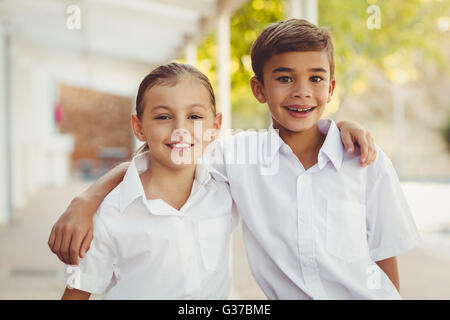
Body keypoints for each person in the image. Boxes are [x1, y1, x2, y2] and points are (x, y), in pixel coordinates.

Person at [49, 20, 391, 299]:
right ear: (259, 89)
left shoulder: (359, 159)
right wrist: (87, 199)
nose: (301, 91)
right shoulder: (235, 161)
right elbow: (156, 159)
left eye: (315, 79)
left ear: (215, 126)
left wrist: (342, 125)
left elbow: (385, 252)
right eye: (285, 78)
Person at [60, 63, 236, 299]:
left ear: (214, 127)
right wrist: (86, 200)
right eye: (163, 116)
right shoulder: (109, 214)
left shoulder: (227, 189)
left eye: (194, 116)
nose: (180, 129)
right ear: (139, 127)